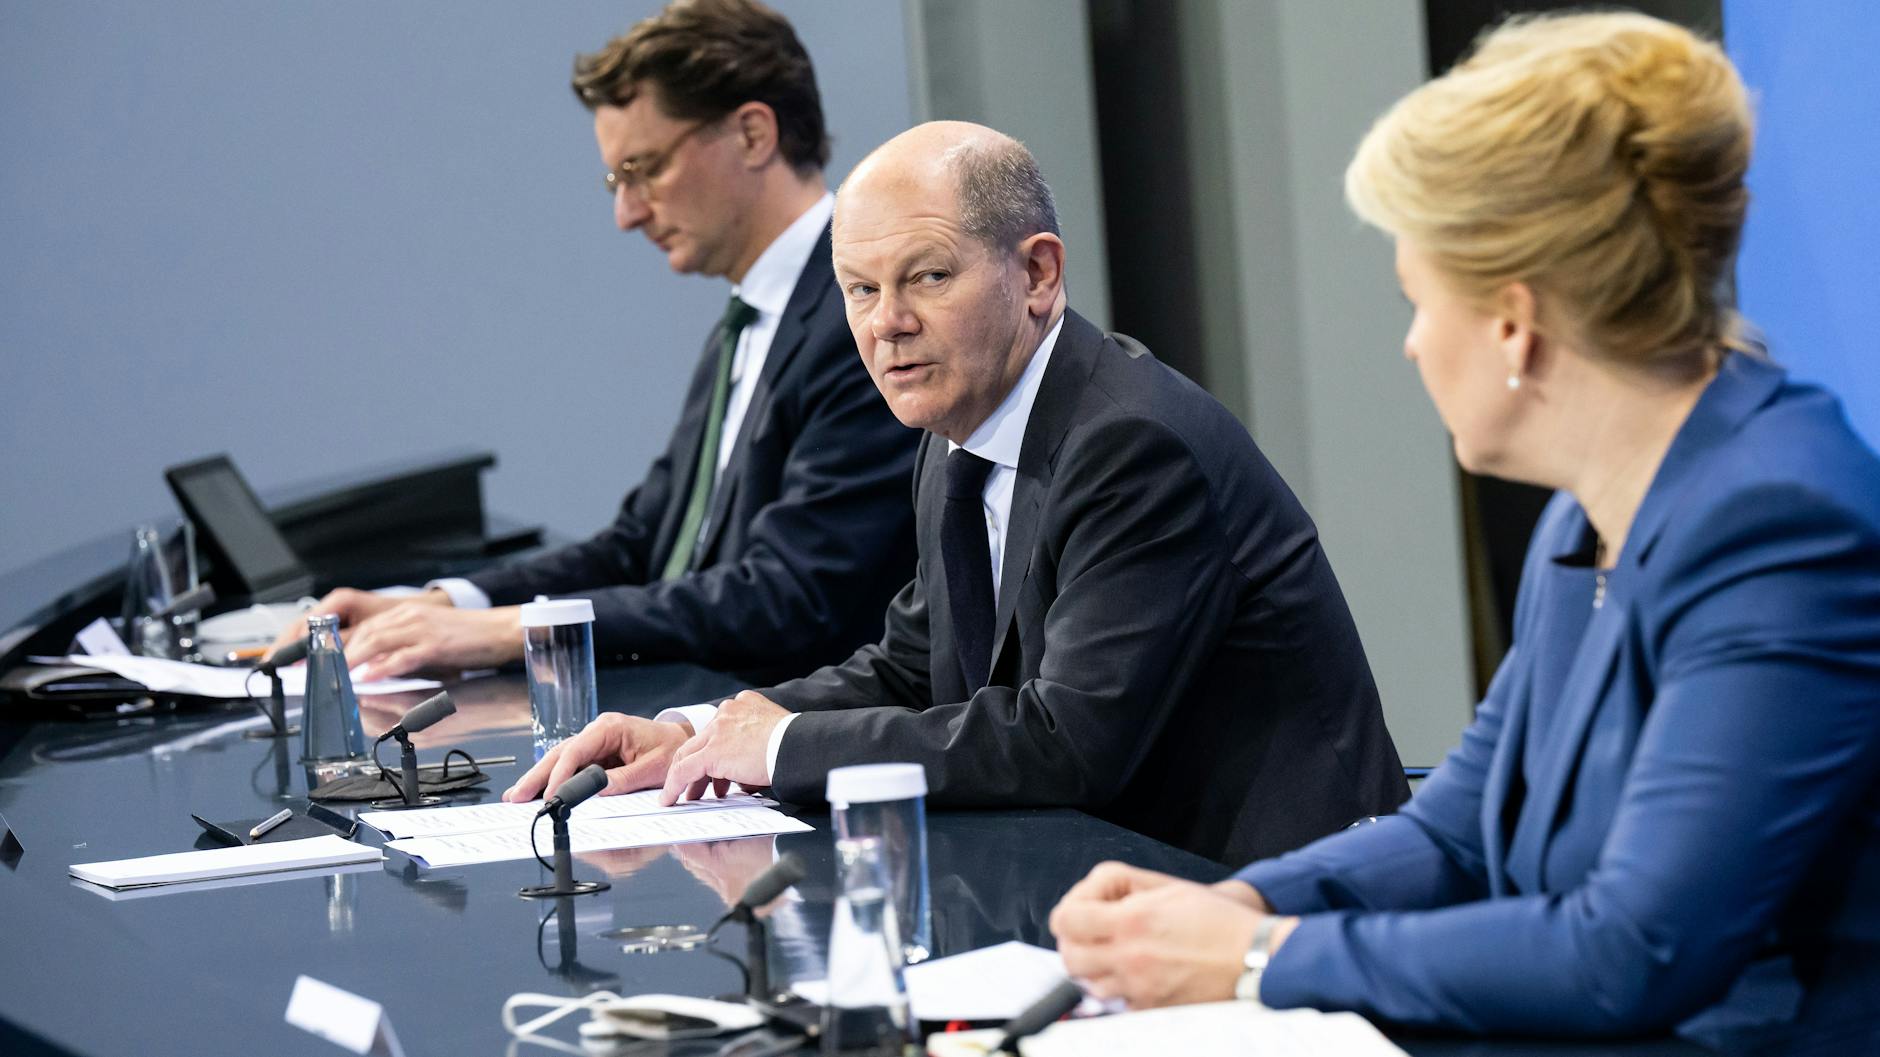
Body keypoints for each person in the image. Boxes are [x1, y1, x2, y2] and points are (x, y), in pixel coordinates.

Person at [1048, 12, 1880, 1043]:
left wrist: (1260, 960)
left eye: (1415, 301)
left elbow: (1633, 949)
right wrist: (1242, 905)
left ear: (1511, 324)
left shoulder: (1776, 528)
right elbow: (1459, 827)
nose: (1405, 346)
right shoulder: (1587, 511)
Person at [505, 120, 1408, 865]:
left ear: (1039, 275)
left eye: (927, 277)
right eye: (859, 289)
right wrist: (700, 734)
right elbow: (908, 665)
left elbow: (1066, 741)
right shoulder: (958, 430)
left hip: (1262, 887)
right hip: (1105, 864)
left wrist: (776, 749)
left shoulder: (1133, 445)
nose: (886, 324)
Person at [265, 0, 917, 682]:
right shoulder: (751, 317)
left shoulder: (860, 316)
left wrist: (504, 631)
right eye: (618, 179)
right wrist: (447, 603)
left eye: (645, 169)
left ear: (753, 135)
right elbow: (641, 544)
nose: (627, 213)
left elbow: (787, 598)